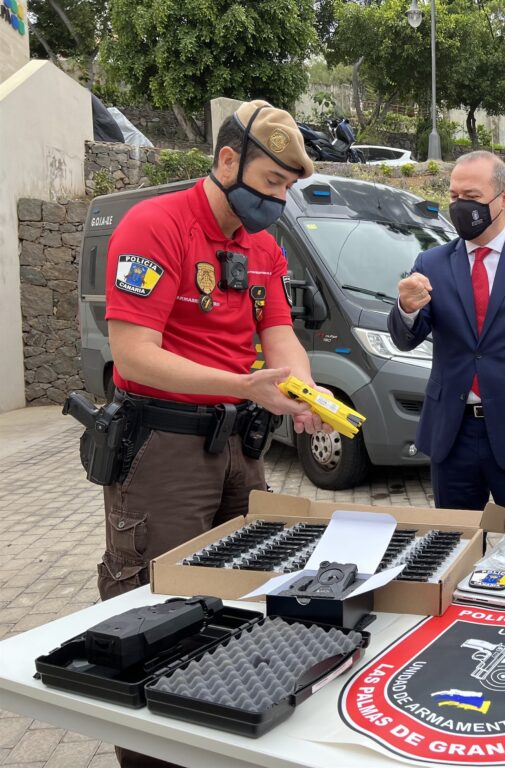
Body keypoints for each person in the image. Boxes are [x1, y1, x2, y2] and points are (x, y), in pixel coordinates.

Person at [98, 99, 329, 767]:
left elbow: (279, 334)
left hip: (239, 449)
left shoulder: (262, 245)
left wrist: (303, 391)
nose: (277, 200)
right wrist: (242, 386)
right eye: (268, 184)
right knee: (151, 606)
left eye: (286, 188)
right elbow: (134, 352)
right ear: (227, 160)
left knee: (245, 595)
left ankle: (221, 736)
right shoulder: (155, 226)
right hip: (162, 449)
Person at [387, 150, 505, 528]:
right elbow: (405, 339)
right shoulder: (431, 264)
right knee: (455, 546)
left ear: (503, 198)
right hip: (453, 433)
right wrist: (406, 307)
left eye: (472, 198)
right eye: (454, 196)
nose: (460, 206)